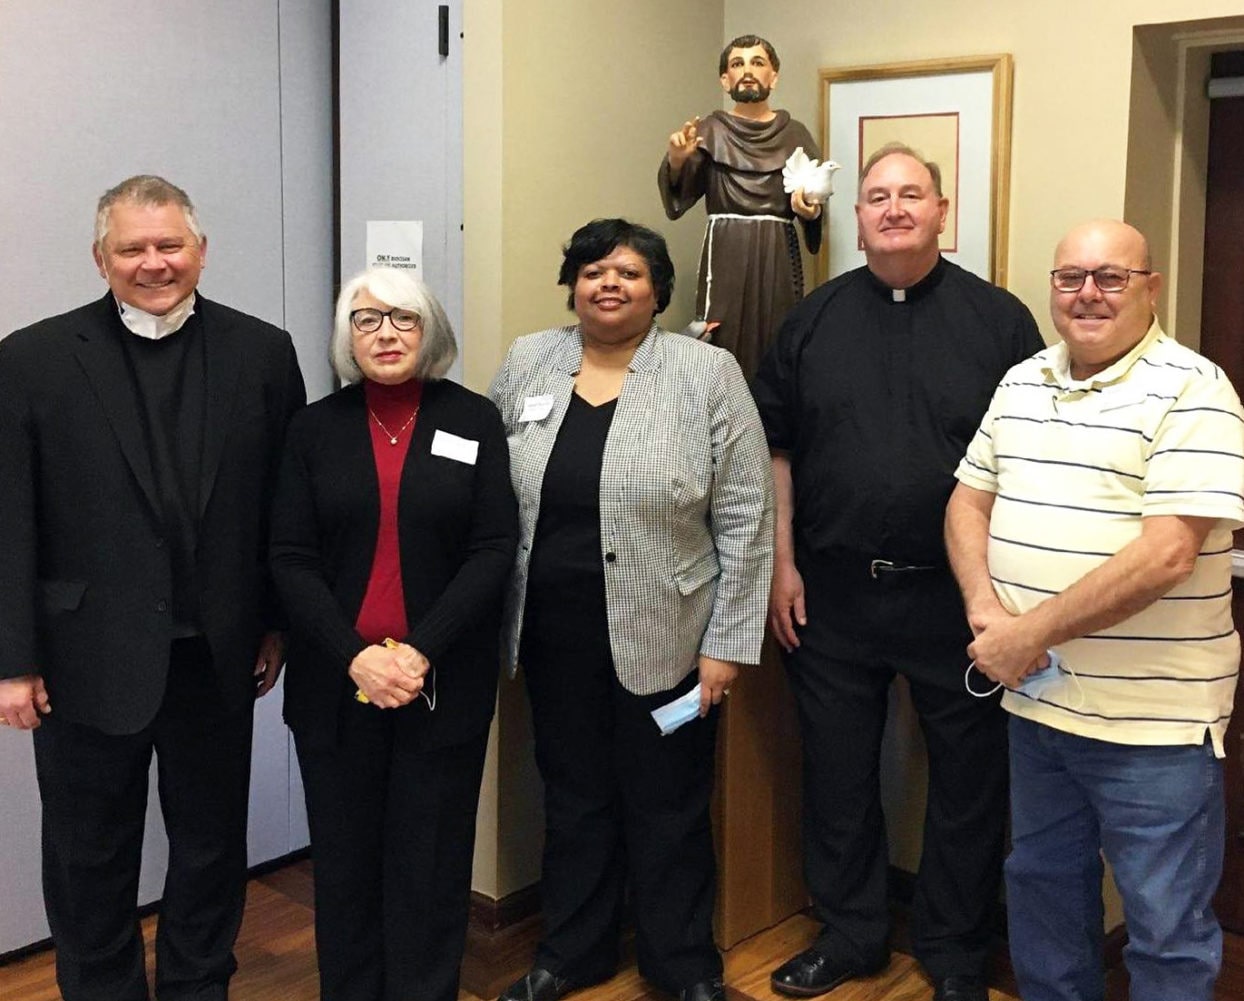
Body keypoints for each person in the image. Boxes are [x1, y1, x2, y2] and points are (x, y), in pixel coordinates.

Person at [0, 175, 305, 1001]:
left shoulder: (263, 351)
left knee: (211, 848)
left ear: (200, 250)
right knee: (89, 853)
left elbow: (287, 504)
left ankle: (197, 987)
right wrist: (12, 660)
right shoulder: (31, 357)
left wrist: (275, 622)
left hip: (217, 656)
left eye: (169, 244)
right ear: (101, 259)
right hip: (81, 660)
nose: (154, 262)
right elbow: (10, 517)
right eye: (132, 248)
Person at [751, 144, 1044, 1001]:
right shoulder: (812, 320)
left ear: (942, 211)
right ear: (857, 217)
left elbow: (1028, 461)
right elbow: (777, 448)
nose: (892, 208)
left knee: (968, 781)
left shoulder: (1001, 321)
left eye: (910, 194)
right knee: (838, 772)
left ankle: (954, 951)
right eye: (876, 196)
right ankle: (851, 932)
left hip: (959, 599)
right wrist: (781, 564)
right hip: (832, 592)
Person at [945, 219, 1244, 1001]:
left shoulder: (1195, 388)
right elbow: (966, 501)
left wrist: (1028, 633)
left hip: (1154, 729)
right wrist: (987, 613)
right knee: (1044, 899)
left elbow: (1168, 554)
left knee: (1166, 928)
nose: (1087, 293)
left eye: (1111, 277)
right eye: (1070, 276)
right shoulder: (1021, 380)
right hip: (1041, 710)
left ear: (1151, 288)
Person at [489, 219, 773, 1001]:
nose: (608, 284)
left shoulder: (706, 372)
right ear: (571, 283)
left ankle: (681, 962)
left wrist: (726, 645)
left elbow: (748, 514)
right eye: (591, 271)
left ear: (658, 290)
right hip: (552, 635)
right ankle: (570, 953)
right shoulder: (527, 360)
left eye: (629, 273)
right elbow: (488, 486)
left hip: (671, 639)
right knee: (573, 797)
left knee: (669, 803)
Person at [269, 266, 518, 1001]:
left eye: (404, 318)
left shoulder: (472, 419)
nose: (386, 333)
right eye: (368, 319)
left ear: (430, 330)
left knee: (430, 867)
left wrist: (416, 651)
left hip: (440, 685)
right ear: (347, 336)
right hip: (335, 689)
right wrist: (358, 659)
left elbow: (493, 549)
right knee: (344, 868)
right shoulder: (314, 428)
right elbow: (289, 556)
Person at [659, 33, 823, 380]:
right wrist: (677, 162)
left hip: (777, 249)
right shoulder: (707, 131)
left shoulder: (795, 134)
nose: (747, 71)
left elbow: (813, 198)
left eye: (757, 62)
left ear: (773, 76)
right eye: (737, 64)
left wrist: (810, 212)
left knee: (778, 333)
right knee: (719, 336)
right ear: (725, 79)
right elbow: (679, 199)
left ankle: (773, 427)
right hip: (726, 249)